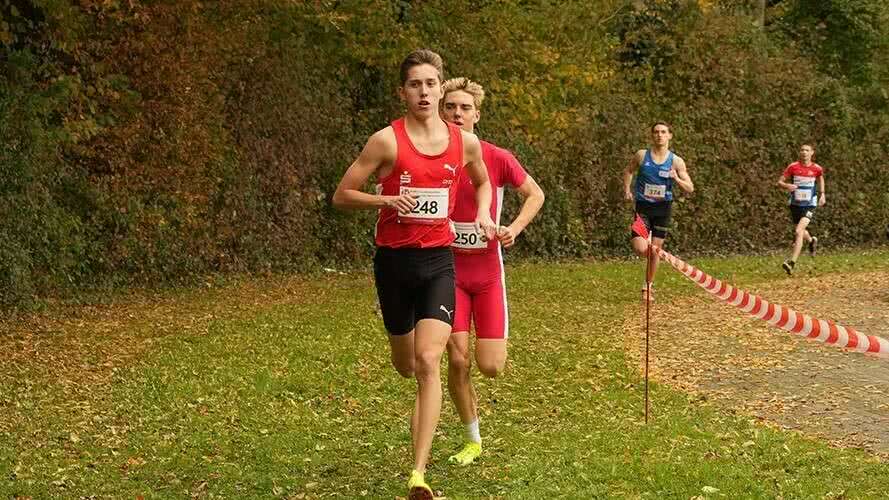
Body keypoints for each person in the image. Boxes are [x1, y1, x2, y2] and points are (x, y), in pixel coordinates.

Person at [332, 49, 497, 500]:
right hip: (393, 265)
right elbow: (342, 195)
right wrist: (384, 201)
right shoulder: (385, 141)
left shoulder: (464, 142)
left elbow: (482, 180)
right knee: (405, 363)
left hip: (439, 262)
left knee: (429, 361)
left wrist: (483, 212)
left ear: (441, 86)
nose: (424, 92)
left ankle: (418, 475)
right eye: (414, 85)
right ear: (402, 92)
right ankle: (401, 349)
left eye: (430, 84)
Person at [439, 77, 545, 465]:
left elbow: (536, 194)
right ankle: (472, 438)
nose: (457, 113)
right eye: (450, 107)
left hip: (487, 276)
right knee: (457, 360)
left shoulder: (496, 157)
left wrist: (512, 229)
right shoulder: (434, 157)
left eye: (465, 108)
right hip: (447, 274)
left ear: (476, 115)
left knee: (491, 366)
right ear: (441, 111)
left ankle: (473, 424)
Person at [623, 122, 694, 300]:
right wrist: (627, 190)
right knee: (641, 249)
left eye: (663, 132)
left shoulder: (676, 161)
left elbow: (690, 187)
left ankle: (648, 287)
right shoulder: (641, 156)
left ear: (670, 136)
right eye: (656, 132)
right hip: (643, 208)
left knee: (656, 250)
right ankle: (651, 254)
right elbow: (629, 171)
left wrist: (676, 178)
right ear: (651, 136)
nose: (659, 135)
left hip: (663, 209)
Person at [777, 143, 825, 275]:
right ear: (800, 152)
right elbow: (779, 182)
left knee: (798, 231)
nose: (804, 152)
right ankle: (811, 241)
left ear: (812, 153)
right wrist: (787, 185)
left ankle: (791, 263)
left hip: (810, 204)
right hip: (795, 204)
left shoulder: (817, 168)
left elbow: (820, 178)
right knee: (801, 231)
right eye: (802, 150)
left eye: (807, 150)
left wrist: (822, 194)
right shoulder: (793, 167)